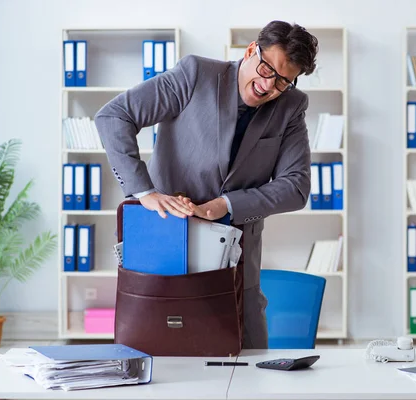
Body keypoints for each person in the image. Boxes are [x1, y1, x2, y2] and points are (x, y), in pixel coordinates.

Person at [94, 20, 319, 349]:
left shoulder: (291, 106)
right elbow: (115, 116)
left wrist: (225, 205)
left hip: (236, 261)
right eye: (266, 68)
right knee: (155, 360)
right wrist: (145, 192)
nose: (267, 85)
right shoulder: (195, 74)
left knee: (249, 368)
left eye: (283, 81)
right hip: (165, 246)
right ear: (251, 51)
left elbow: (296, 187)